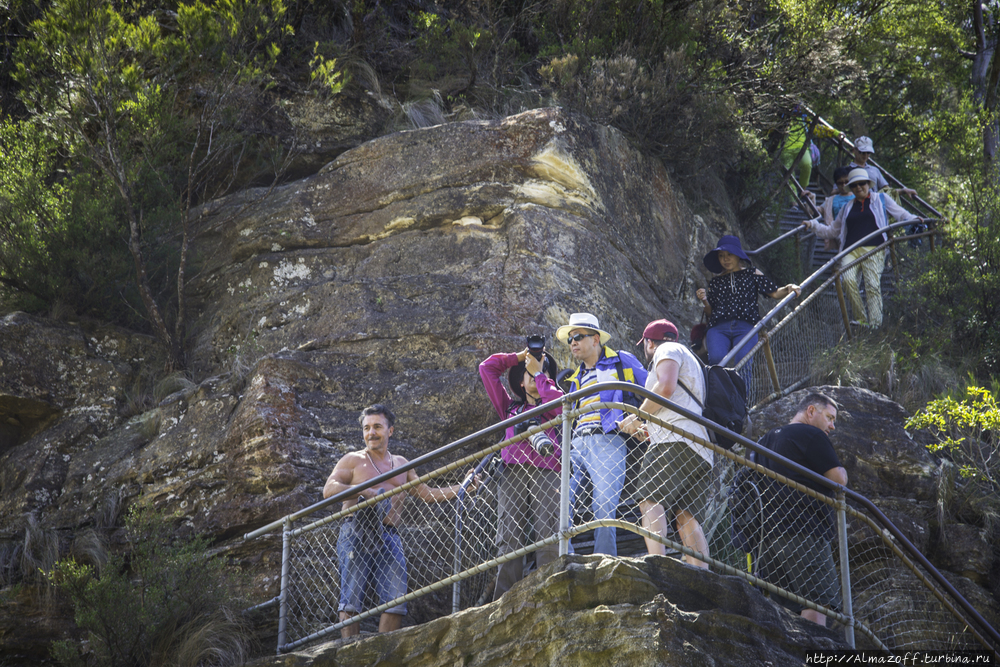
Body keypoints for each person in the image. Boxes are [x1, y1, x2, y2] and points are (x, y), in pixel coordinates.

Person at [323, 404, 480, 637]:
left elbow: (426, 493)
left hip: (389, 533)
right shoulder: (353, 460)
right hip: (356, 528)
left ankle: (385, 653)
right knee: (351, 598)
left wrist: (463, 487)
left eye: (377, 426)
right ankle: (349, 653)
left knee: (396, 599)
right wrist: (364, 491)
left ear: (390, 431)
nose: (371, 433)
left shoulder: (402, 463)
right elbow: (329, 489)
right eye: (366, 428)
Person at [619, 319, 713, 569]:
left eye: (645, 344)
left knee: (649, 499)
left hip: (675, 440)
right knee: (685, 516)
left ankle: (657, 564)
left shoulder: (667, 350)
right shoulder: (691, 360)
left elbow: (667, 387)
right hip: (699, 446)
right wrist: (647, 428)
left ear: (650, 342)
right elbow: (681, 402)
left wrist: (637, 415)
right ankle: (704, 575)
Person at [557, 312, 648, 556]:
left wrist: (640, 417)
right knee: (560, 498)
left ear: (596, 339)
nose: (573, 342)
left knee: (604, 506)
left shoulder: (620, 360)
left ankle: (604, 562)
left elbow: (651, 388)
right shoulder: (574, 378)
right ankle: (566, 557)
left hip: (608, 438)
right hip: (576, 444)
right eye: (570, 339)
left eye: (578, 336)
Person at [754, 392, 847, 627]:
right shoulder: (810, 434)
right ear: (811, 411)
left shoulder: (764, 440)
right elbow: (838, 479)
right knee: (818, 603)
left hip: (766, 537)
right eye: (829, 417)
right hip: (804, 532)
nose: (832, 426)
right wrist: (844, 473)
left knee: (784, 609)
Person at [479, 345, 563, 601]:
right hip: (511, 473)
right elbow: (487, 368)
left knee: (548, 534)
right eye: (528, 373)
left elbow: (560, 404)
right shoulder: (509, 408)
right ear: (520, 381)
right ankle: (504, 601)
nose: (534, 375)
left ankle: (552, 594)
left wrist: (539, 374)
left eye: (541, 372)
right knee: (509, 537)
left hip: (548, 471)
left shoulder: (554, 405)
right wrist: (517, 358)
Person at [804, 168, 921, 327]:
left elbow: (901, 214)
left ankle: (874, 325)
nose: (858, 187)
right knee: (847, 280)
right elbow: (832, 231)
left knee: (872, 284)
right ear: (850, 188)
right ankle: (861, 319)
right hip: (850, 250)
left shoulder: (881, 199)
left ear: (868, 184)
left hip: (875, 248)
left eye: (862, 184)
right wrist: (813, 225)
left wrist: (914, 219)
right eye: (854, 185)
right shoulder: (847, 207)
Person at [695, 236, 801, 381]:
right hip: (718, 327)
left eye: (729, 254)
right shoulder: (715, 282)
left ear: (738, 255)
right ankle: (717, 401)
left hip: (746, 326)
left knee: (743, 362)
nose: (725, 259)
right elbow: (710, 313)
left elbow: (774, 292)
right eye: (721, 256)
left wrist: (789, 287)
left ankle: (741, 402)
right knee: (716, 361)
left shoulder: (752, 273)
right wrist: (705, 301)